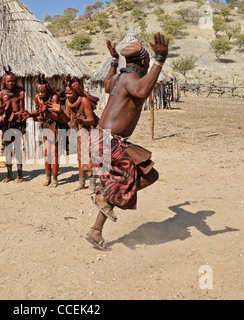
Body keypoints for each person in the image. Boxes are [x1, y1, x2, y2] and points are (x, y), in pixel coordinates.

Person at [84, 33, 169, 251]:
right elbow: (142, 90)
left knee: (120, 184)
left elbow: (105, 84)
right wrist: (160, 60)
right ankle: (106, 198)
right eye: (147, 63)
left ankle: (96, 230)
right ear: (142, 63)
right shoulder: (132, 79)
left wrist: (113, 62)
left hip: (100, 140)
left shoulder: (117, 78)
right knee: (149, 176)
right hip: (110, 143)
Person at [22, 75, 68, 188]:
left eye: (42, 91)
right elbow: (39, 114)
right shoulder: (37, 98)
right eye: (38, 91)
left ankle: (55, 179)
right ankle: (48, 177)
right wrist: (31, 115)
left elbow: (58, 117)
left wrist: (46, 112)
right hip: (46, 125)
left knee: (54, 153)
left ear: (47, 90)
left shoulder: (54, 98)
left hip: (56, 125)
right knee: (47, 153)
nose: (40, 94)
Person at [61, 75, 99, 192]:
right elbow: (66, 118)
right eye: (66, 94)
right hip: (79, 131)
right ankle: (81, 183)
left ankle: (92, 185)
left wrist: (81, 121)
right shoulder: (68, 101)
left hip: (90, 130)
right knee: (80, 157)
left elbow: (91, 120)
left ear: (76, 92)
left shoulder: (84, 100)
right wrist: (58, 112)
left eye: (70, 94)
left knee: (90, 157)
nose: (67, 96)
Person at [0, 66, 26, 183]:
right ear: (4, 81)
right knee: (8, 149)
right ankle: (9, 174)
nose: (11, 83)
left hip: (17, 123)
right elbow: (0, 112)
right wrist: (2, 109)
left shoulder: (20, 92)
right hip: (7, 124)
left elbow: (22, 109)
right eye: (8, 81)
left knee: (18, 149)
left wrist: (18, 115)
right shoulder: (1, 94)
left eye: (13, 81)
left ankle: (20, 175)